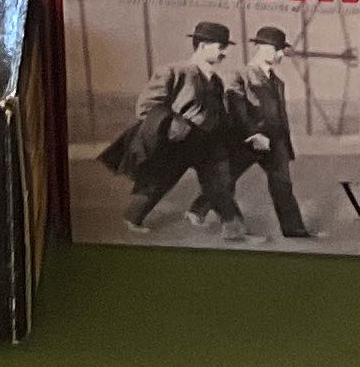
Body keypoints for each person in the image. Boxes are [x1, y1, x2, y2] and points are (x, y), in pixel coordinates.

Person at [99, 21, 248, 234]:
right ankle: (131, 219)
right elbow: (146, 106)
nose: (224, 52)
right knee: (158, 182)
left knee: (220, 183)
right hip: (177, 142)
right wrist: (173, 124)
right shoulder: (173, 72)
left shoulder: (216, 81)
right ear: (202, 45)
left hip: (207, 143)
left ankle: (235, 229)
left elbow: (218, 114)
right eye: (220, 46)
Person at [218, 22, 315, 240]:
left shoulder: (277, 81)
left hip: (275, 142)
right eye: (277, 49)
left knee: (282, 185)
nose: (281, 54)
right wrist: (253, 134)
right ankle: (202, 211)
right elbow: (236, 108)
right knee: (224, 180)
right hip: (247, 140)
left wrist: (284, 144)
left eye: (282, 50)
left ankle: (295, 231)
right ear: (261, 47)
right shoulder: (240, 75)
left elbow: (280, 115)